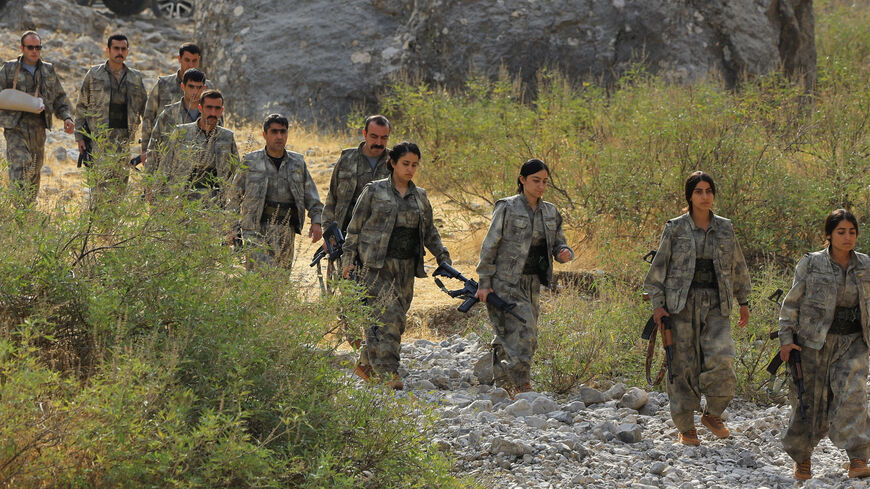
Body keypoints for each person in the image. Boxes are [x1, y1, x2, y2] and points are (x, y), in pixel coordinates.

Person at [643, 170, 751, 446]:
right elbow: (658, 271)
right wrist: (658, 306)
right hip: (682, 305)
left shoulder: (725, 227)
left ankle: (713, 413)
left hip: (717, 303)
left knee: (723, 358)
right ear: (689, 196)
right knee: (682, 365)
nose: (705, 196)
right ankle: (686, 426)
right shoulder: (676, 228)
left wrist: (744, 301)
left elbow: (738, 266)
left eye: (709, 191)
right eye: (699, 191)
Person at [341, 142, 451, 390]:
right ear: (392, 163)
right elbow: (354, 229)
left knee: (397, 319)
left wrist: (442, 256)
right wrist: (348, 261)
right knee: (385, 317)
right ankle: (388, 373)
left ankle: (367, 364)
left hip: (406, 267)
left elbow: (430, 231)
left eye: (414, 165)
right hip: (376, 266)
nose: (410, 169)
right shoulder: (373, 191)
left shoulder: (420, 196)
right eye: (405, 164)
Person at [778, 209, 870, 480]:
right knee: (810, 401)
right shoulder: (811, 263)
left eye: (852, 232)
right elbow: (791, 303)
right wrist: (786, 339)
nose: (847, 237)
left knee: (852, 396)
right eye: (840, 232)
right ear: (828, 235)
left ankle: (858, 457)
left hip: (854, 342)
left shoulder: (866, 265)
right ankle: (802, 458)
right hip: (814, 344)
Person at [475, 158, 574, 397]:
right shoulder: (507, 207)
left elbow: (559, 242)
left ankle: (502, 381)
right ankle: (522, 384)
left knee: (513, 332)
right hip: (506, 281)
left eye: (544, 182)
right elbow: (490, 245)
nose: (540, 186)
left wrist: (564, 253)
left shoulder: (550, 211)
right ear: (522, 180)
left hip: (533, 282)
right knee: (524, 330)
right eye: (535, 181)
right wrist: (484, 282)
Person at [228, 113, 323, 269]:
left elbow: (311, 195)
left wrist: (316, 221)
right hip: (256, 230)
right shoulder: (250, 161)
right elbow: (234, 196)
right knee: (257, 280)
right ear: (264, 134)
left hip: (286, 230)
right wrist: (231, 227)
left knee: (280, 281)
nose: (279, 136)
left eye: (283, 132)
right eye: (274, 132)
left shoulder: (297, 163)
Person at [0, 31, 74, 202]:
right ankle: (19, 210)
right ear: (22, 48)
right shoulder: (9, 68)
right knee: (20, 164)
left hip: (38, 127)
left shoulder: (48, 70)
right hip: (15, 127)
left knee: (34, 169)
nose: (34, 51)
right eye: (30, 47)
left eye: (38, 47)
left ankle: (27, 213)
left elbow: (59, 97)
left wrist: (67, 118)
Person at [74, 33, 147, 204]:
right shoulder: (94, 74)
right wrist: (79, 137)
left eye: (123, 49)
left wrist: (149, 140)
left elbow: (146, 110)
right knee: (99, 189)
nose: (119, 52)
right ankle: (99, 228)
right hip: (99, 141)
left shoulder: (135, 77)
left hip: (123, 140)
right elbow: (81, 106)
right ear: (108, 50)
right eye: (116, 48)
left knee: (119, 188)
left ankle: (111, 229)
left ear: (127, 51)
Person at [157, 89, 238, 200]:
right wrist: (156, 194)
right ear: (200, 108)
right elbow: (165, 165)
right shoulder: (182, 132)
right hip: (182, 201)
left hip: (215, 203)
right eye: (209, 108)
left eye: (217, 108)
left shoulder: (227, 137)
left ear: (222, 110)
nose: (213, 113)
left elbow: (236, 174)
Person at [141, 42, 211, 160]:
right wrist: (145, 149)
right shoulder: (164, 84)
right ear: (179, 59)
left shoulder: (207, 87)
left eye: (194, 61)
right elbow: (149, 116)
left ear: (199, 60)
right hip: (166, 151)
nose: (190, 65)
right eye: (187, 60)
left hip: (199, 151)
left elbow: (216, 116)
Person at [145, 68, 206, 173]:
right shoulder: (169, 114)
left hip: (201, 178)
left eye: (199, 87)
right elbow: (154, 147)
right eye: (191, 87)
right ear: (183, 87)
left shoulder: (210, 114)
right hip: (172, 177)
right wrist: (149, 179)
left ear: (204, 88)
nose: (195, 92)